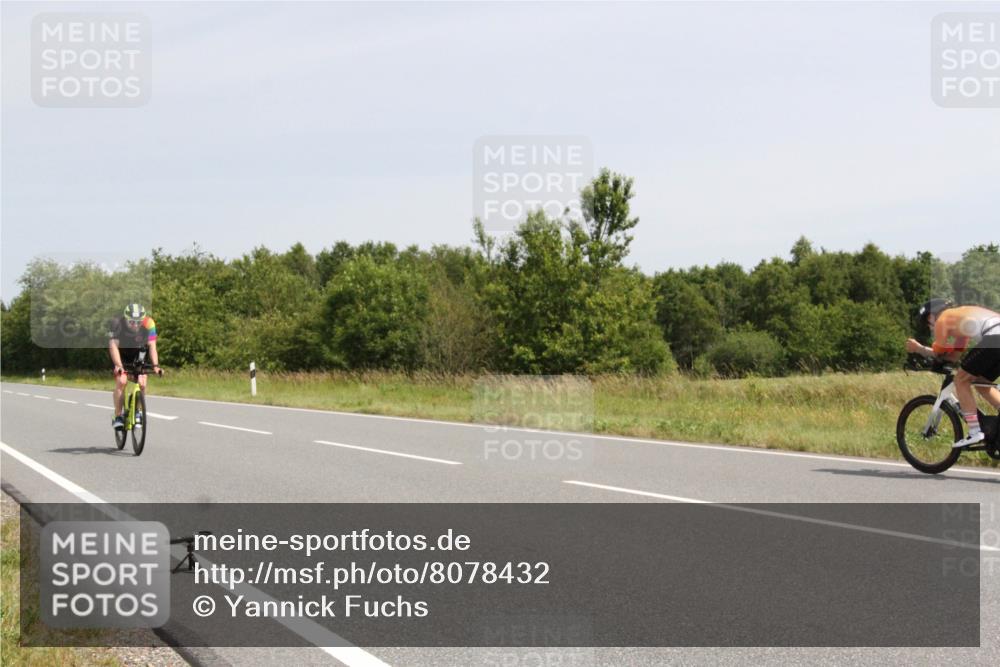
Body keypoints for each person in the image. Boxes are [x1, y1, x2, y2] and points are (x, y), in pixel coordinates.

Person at [906, 298, 1000, 447]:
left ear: (931, 316)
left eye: (927, 323)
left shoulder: (942, 319)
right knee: (983, 384)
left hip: (994, 337)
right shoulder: (960, 324)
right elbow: (954, 357)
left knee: (960, 380)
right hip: (996, 337)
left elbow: (939, 352)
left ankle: (975, 432)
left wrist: (918, 349)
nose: (930, 328)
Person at [108, 303, 163, 430]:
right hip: (120, 354)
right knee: (122, 381)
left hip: (138, 353)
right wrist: (119, 366)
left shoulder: (149, 323)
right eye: (131, 322)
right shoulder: (117, 324)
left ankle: (138, 411)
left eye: (138, 322)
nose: (135, 325)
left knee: (142, 383)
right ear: (125, 318)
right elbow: (113, 346)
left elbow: (152, 346)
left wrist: (155, 366)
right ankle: (118, 416)